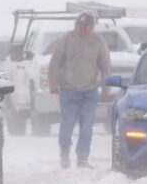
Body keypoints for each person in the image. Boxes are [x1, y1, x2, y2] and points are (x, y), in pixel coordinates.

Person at [48, 12, 112, 169]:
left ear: (92, 27)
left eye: (86, 26)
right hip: (68, 89)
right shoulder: (67, 39)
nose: (82, 28)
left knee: (87, 125)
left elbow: (105, 66)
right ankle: (64, 154)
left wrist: (106, 90)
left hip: (90, 91)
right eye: (80, 25)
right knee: (67, 123)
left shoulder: (98, 42)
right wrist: (53, 83)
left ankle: (82, 158)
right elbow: (55, 61)